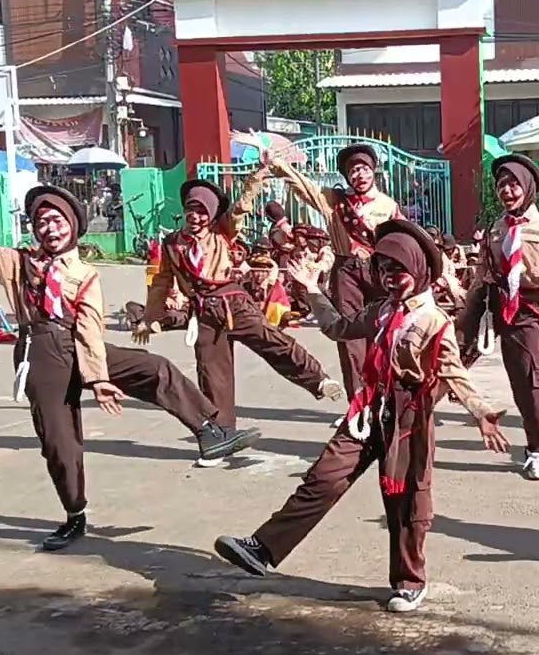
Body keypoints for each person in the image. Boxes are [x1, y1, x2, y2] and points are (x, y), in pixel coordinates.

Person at [0, 159, 258, 550]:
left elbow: (89, 327)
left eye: (58, 221)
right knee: (60, 441)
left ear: (72, 227)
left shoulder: (83, 273)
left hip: (77, 344)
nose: (49, 229)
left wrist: (100, 378)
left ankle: (209, 431)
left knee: (154, 367)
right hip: (41, 352)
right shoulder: (17, 263)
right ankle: (74, 515)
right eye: (42, 222)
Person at [213, 218, 509, 614]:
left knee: (405, 502)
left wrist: (480, 411)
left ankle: (409, 581)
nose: (390, 278)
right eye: (384, 270)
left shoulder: (433, 321)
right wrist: (314, 290)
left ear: (419, 270)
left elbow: (453, 371)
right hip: (369, 408)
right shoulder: (381, 311)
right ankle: (264, 548)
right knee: (324, 476)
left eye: (398, 270)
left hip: (408, 418)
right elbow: (338, 327)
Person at [135, 178, 343, 433]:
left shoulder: (222, 232)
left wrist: (262, 173)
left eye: (202, 211)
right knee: (211, 373)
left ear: (211, 215)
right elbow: (161, 282)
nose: (196, 216)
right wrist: (148, 317)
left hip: (234, 303)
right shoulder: (172, 244)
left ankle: (318, 380)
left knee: (274, 341)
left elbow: (242, 205)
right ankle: (222, 434)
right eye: (191, 209)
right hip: (203, 311)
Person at [451, 154, 539, 480]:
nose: (507, 190)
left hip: (527, 309)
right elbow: (483, 270)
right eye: (502, 185)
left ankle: (536, 451)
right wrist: (467, 308)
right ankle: (410, 423)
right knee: (447, 356)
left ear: (528, 187)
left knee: (528, 380)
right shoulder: (496, 227)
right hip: (490, 302)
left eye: (514, 183)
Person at [265, 144, 402, 405]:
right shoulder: (335, 201)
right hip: (346, 272)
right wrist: (277, 165)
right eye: (353, 171)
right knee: (349, 337)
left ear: (373, 171)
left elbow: (403, 238)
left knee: (384, 331)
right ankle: (358, 403)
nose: (359, 175)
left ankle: (385, 396)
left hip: (378, 271)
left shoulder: (388, 205)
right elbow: (305, 189)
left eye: (363, 169)